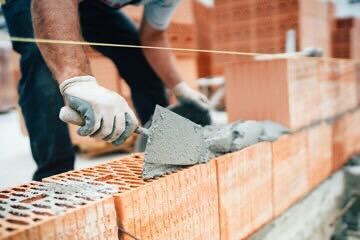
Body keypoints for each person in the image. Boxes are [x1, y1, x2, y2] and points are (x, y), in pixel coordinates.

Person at [1, 0, 209, 180]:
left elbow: (153, 36)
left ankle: (166, 150)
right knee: (42, 67)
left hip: (95, 6)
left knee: (138, 57)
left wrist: (179, 86)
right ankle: (54, 177)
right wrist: (77, 81)